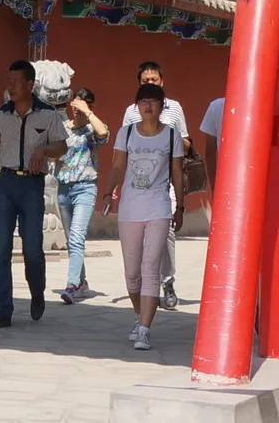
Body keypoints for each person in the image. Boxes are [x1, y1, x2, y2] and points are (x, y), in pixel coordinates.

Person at [0, 59, 65, 328]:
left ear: (30, 84)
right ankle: (2, 310)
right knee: (0, 250)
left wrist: (43, 150)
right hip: (6, 184)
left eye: (15, 82)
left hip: (32, 186)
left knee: (32, 250)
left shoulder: (48, 115)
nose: (10, 87)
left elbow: (62, 147)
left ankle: (37, 291)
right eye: (8, 82)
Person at [101, 84, 183, 352]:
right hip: (130, 209)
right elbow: (116, 166)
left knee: (150, 268)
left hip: (158, 207)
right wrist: (108, 192)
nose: (148, 105)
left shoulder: (172, 136)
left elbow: (178, 174)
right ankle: (140, 317)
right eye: (143, 101)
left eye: (153, 101)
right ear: (136, 105)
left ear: (162, 105)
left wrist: (180, 206)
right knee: (132, 273)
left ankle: (145, 329)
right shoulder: (126, 134)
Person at [117, 59, 194, 309]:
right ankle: (141, 287)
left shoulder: (174, 109)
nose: (150, 83)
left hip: (165, 181)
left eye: (154, 80)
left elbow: (187, 141)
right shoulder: (132, 112)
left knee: (167, 233)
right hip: (137, 185)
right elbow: (124, 151)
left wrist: (167, 141)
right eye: (145, 81)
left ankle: (167, 281)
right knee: (139, 249)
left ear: (162, 81)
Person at [55, 87, 108, 303]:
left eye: (85, 104)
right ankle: (82, 281)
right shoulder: (62, 128)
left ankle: (72, 285)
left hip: (85, 188)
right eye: (77, 103)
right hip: (64, 188)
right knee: (71, 240)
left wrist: (88, 113)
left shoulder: (92, 129)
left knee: (77, 236)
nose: (78, 108)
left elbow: (103, 133)